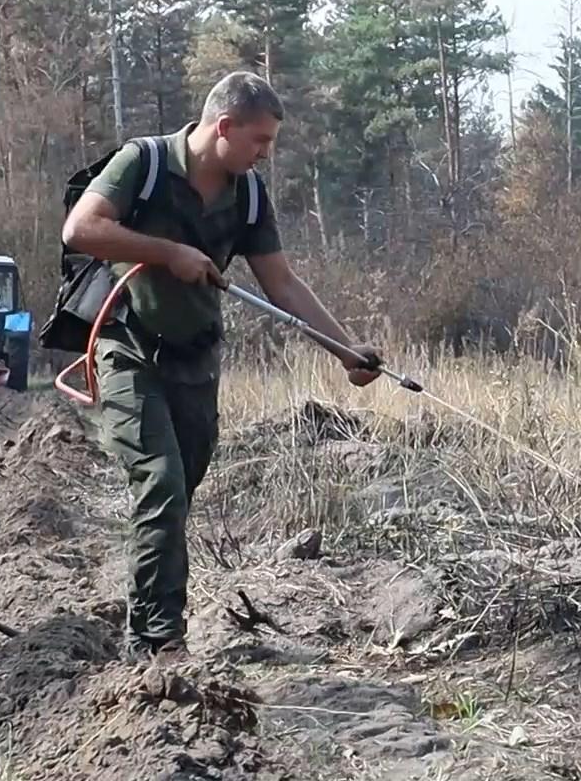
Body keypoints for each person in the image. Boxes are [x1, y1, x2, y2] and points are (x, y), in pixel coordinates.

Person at [58, 71, 381, 659]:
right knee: (161, 483)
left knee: (178, 492)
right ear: (224, 127)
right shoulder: (144, 164)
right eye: (259, 140)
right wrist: (169, 253)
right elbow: (81, 229)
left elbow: (280, 282)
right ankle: (158, 643)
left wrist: (345, 350)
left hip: (197, 360)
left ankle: (147, 609)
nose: (265, 153)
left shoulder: (249, 194)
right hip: (128, 348)